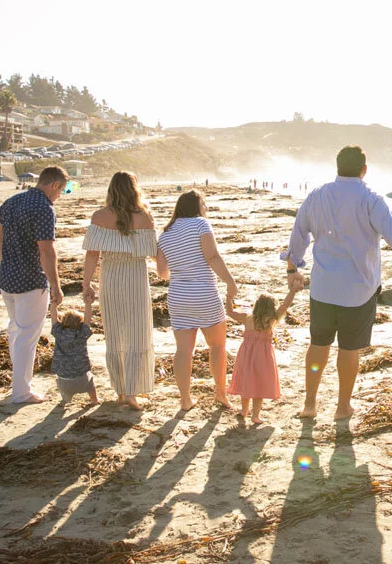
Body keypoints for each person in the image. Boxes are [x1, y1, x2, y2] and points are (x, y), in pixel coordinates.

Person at [284, 145, 392, 421]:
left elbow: (300, 231)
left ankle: (310, 404)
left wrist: (292, 266)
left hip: (322, 287)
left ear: (337, 167)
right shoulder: (371, 199)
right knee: (349, 349)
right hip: (358, 290)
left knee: (318, 344)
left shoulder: (317, 196)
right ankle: (342, 407)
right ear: (364, 169)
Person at [156, 190, 238, 411]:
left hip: (178, 296)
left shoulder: (165, 234)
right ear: (196, 206)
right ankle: (221, 394)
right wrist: (230, 281)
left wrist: (182, 272)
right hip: (204, 294)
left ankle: (185, 400)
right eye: (204, 204)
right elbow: (212, 257)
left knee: (183, 351)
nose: (206, 208)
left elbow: (162, 272)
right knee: (218, 346)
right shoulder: (201, 224)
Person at [82, 171, 157, 410]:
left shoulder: (99, 216)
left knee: (114, 333)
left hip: (111, 275)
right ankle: (132, 392)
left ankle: (121, 389)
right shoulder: (144, 216)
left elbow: (92, 254)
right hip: (135, 275)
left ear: (111, 190)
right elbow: (153, 253)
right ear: (134, 189)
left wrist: (86, 283)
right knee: (137, 331)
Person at [0, 165, 67, 404]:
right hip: (31, 279)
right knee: (26, 336)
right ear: (54, 184)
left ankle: (20, 386)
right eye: (61, 191)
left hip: (7, 277)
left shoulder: (12, 201)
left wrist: (6, 260)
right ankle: (21, 392)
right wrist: (55, 285)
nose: (59, 196)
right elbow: (46, 249)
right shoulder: (44, 208)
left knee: (16, 330)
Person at [226, 288, 297, 424]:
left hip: (246, 355)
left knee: (246, 381)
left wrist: (229, 297)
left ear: (256, 305)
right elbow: (285, 305)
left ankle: (244, 410)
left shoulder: (247, 318)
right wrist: (292, 291)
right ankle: (255, 416)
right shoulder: (270, 321)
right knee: (258, 384)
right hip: (262, 358)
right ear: (271, 308)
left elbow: (230, 312)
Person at [50, 306, 98, 405]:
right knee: (90, 378)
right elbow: (88, 320)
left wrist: (54, 305)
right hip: (83, 381)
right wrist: (88, 304)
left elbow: (54, 318)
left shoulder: (58, 332)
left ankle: (66, 399)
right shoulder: (82, 334)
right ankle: (94, 400)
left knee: (60, 380)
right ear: (81, 323)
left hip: (64, 383)